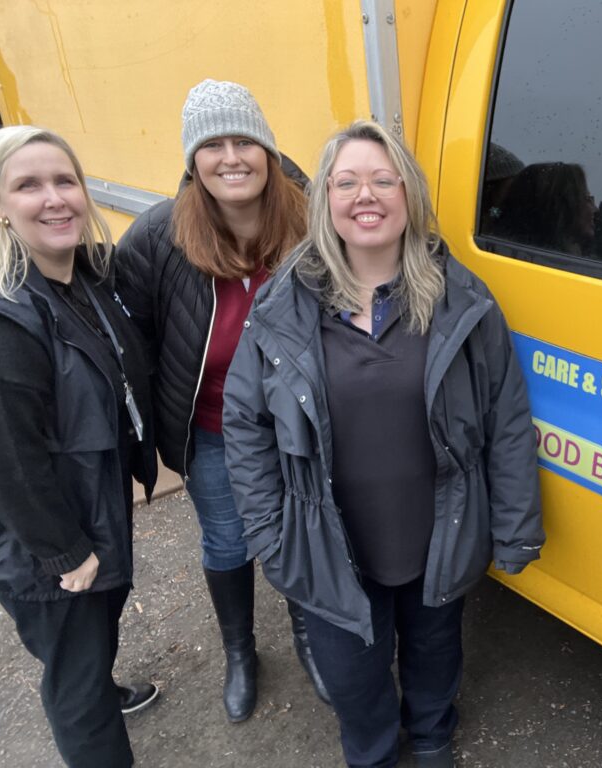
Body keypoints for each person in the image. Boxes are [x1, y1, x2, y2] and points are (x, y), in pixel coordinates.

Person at [222, 119, 544, 768]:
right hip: (330, 540)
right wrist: (267, 534)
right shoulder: (284, 306)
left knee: (436, 649)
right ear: (325, 203)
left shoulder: (462, 301)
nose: (365, 195)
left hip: (438, 531)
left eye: (381, 179)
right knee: (352, 675)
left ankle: (429, 738)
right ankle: (371, 754)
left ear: (408, 193)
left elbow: (507, 421)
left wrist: (514, 529)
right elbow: (244, 425)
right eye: (346, 182)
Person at [114, 79, 329, 722]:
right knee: (228, 540)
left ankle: (309, 635)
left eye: (245, 140)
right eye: (213, 145)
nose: (231, 156)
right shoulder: (158, 237)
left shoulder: (313, 217)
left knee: (300, 524)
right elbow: (134, 341)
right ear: (192, 160)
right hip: (211, 430)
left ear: (267, 149)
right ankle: (241, 651)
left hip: (299, 425)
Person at [0, 125, 159, 767]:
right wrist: (64, 551)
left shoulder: (80, 279)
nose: (54, 198)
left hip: (89, 500)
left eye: (65, 181)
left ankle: (100, 683)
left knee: (92, 638)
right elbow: (4, 461)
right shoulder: (1, 317)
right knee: (74, 681)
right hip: (42, 535)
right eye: (28, 186)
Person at [494, 161, 596, 255]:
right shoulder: (552, 261)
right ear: (561, 208)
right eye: (586, 198)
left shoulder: (514, 251)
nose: (595, 209)